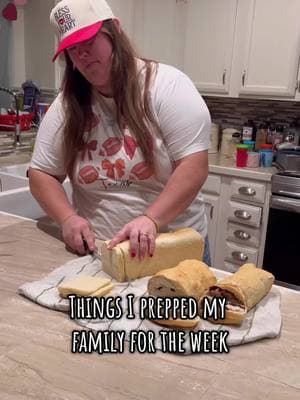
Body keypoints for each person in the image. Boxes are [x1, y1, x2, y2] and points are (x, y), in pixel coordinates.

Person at [28, 0, 212, 265]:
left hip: (174, 252)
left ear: (114, 30)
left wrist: (151, 219)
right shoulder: (67, 106)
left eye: (88, 43)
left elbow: (194, 167)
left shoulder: (168, 87)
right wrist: (67, 218)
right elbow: (41, 173)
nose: (82, 56)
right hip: (103, 254)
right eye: (73, 50)